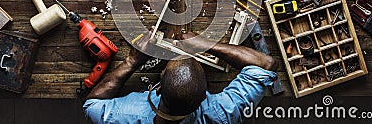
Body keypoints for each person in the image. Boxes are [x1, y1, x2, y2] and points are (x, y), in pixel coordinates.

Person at [83, 26, 278, 124]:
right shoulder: (220, 114)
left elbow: (91, 104)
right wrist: (206, 45)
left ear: (158, 88)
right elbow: (266, 64)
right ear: (203, 97)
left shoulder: (123, 115)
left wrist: (131, 61)